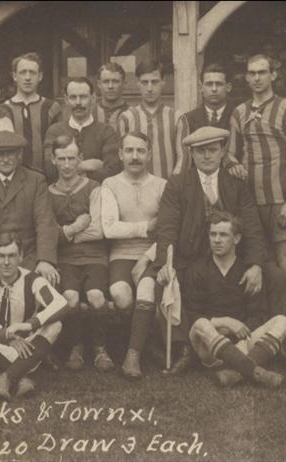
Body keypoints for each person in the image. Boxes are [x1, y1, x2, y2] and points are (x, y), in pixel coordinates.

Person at [152, 126, 286, 374]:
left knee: (278, 277)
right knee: (168, 282)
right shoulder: (177, 184)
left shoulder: (236, 182)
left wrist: (256, 265)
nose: (206, 156)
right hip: (192, 255)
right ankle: (184, 347)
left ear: (222, 152)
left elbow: (252, 227)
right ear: (191, 154)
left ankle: (281, 344)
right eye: (200, 151)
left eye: (212, 150)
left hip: (234, 253)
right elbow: (167, 227)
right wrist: (166, 263)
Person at [226, 54, 286, 359]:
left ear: (273, 75)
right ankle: (261, 327)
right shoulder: (239, 112)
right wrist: (233, 166)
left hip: (279, 200)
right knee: (256, 263)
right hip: (250, 202)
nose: (257, 78)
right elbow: (230, 155)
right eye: (251, 73)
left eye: (263, 72)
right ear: (246, 78)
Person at [0, 233, 71, 400]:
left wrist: (30, 325)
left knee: (55, 325)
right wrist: (4, 335)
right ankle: (19, 376)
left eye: (12, 256)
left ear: (21, 256)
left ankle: (7, 378)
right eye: (1, 256)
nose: (6, 262)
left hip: (25, 352)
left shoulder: (32, 279)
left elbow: (61, 304)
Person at [186, 211, 286, 388]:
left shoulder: (249, 272)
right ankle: (257, 372)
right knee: (200, 324)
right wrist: (226, 322)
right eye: (213, 234)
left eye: (223, 234)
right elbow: (191, 315)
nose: (217, 240)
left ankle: (235, 372)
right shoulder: (197, 269)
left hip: (243, 345)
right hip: (210, 346)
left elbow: (258, 314)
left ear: (236, 238)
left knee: (284, 321)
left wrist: (239, 334)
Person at [100, 132, 166, 379]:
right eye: (129, 151)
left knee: (147, 288)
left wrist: (146, 258)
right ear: (120, 154)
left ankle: (132, 356)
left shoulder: (162, 185)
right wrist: (146, 227)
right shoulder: (110, 184)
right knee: (120, 295)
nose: (135, 156)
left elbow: (167, 230)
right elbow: (109, 228)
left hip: (152, 253)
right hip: (121, 252)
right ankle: (146, 341)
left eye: (140, 151)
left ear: (149, 154)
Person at [47, 135, 112, 372]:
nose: (66, 164)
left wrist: (63, 234)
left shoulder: (94, 188)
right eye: (61, 159)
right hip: (65, 260)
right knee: (71, 297)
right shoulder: (48, 192)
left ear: (80, 160)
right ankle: (75, 347)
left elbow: (98, 230)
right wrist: (75, 227)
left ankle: (100, 348)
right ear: (53, 160)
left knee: (96, 296)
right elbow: (47, 233)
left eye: (71, 158)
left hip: (95, 256)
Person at [0, 131, 59, 286]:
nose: (5, 159)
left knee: (41, 287)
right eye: (0, 154)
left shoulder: (36, 181)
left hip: (27, 257)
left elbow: (45, 222)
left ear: (19, 154)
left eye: (11, 154)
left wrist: (45, 260)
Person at [43, 77, 121, 183]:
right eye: (73, 97)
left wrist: (66, 168)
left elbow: (112, 172)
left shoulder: (106, 131)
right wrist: (86, 166)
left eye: (83, 97)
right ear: (66, 100)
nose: (78, 102)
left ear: (93, 99)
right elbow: (50, 171)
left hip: (97, 194)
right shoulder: (54, 131)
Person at [1, 52, 61, 172]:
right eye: (23, 72)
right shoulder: (2, 110)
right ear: (14, 76)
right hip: (14, 176)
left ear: (40, 76)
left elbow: (59, 145)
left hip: (46, 177)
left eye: (32, 72)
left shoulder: (52, 107)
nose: (27, 77)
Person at [117, 60, 177, 179]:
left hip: (169, 188)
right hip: (135, 188)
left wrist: (173, 187)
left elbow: (183, 157)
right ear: (138, 83)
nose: (149, 88)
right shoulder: (126, 118)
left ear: (163, 82)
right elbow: (121, 158)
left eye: (154, 82)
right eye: (145, 82)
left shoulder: (177, 117)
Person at [174, 63, 236, 174]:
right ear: (200, 88)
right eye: (209, 84)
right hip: (198, 185)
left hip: (233, 183)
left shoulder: (238, 116)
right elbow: (185, 159)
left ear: (228, 87)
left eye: (219, 84)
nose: (214, 89)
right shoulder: (188, 119)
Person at [94, 62, 130, 130]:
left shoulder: (133, 114)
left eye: (115, 81)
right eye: (106, 81)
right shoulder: (90, 114)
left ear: (124, 84)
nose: (110, 86)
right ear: (99, 84)